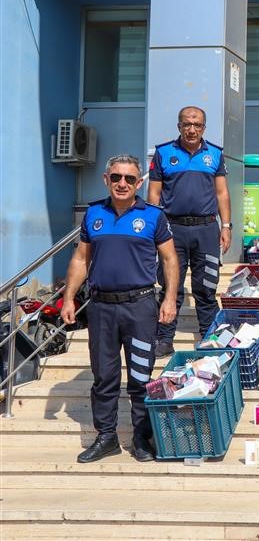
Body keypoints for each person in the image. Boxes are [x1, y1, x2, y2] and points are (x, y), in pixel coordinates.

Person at [60, 154, 179, 463]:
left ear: (139, 183)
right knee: (104, 378)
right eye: (116, 178)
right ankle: (106, 437)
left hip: (139, 306)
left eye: (129, 178)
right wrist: (69, 297)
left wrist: (169, 299)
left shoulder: (153, 216)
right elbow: (80, 259)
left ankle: (142, 437)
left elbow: (169, 260)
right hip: (100, 308)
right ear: (106, 179)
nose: (122, 183)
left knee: (141, 376)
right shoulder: (94, 214)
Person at [147, 106, 231, 357]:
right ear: (179, 126)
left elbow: (222, 193)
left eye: (197, 125)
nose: (191, 129)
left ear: (204, 128)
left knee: (206, 287)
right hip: (172, 230)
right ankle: (164, 339)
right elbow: (153, 194)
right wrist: (153, 228)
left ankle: (210, 337)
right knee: (170, 286)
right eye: (186, 124)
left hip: (206, 229)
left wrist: (226, 226)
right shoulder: (164, 153)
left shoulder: (215, 154)